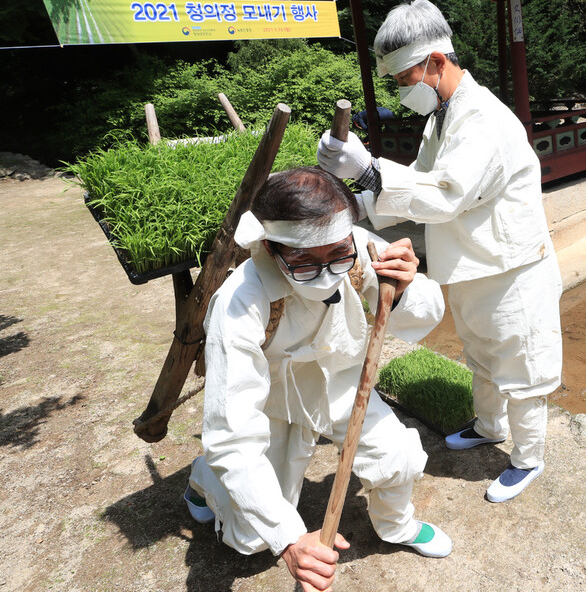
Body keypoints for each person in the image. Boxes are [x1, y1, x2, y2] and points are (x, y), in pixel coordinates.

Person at [316, 0, 562, 504]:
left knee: (520, 363)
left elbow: (447, 193)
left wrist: (368, 172)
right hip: (472, 262)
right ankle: (490, 426)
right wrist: (358, 205)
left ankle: (528, 457)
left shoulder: (483, 119)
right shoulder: (442, 116)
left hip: (513, 267)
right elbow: (418, 185)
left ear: (436, 63)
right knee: (481, 354)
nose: (403, 90)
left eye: (406, 79)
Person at [184, 167, 452, 592]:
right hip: (272, 400)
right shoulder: (238, 303)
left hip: (341, 382)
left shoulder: (356, 247)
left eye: (337, 256)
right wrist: (290, 540)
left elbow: (427, 309)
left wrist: (402, 289)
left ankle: (397, 526)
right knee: (254, 538)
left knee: (398, 453)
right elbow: (233, 432)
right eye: (306, 262)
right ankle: (204, 478)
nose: (328, 272)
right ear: (271, 248)